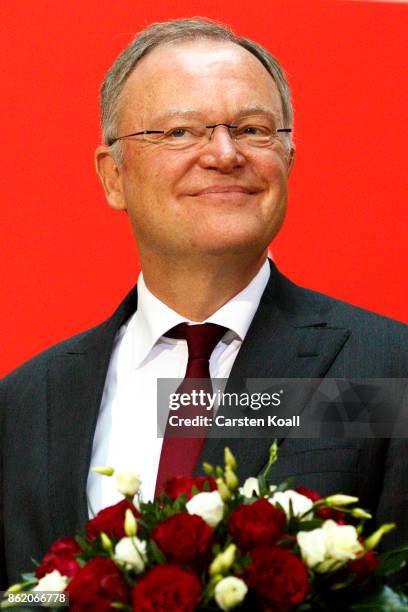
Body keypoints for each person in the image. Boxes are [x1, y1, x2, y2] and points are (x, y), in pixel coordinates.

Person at [0, 18, 407, 589]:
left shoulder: (387, 374)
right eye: (180, 132)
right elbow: (19, 598)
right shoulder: (24, 405)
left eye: (252, 129)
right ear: (114, 176)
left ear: (288, 158)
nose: (223, 153)